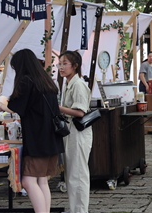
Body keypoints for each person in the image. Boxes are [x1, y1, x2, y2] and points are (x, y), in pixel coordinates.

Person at [0, 49, 64, 213]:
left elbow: (16, 108)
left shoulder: (27, 81)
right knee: (42, 181)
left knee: (28, 181)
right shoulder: (46, 81)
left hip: (38, 140)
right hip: (52, 139)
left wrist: (1, 104)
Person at [57, 50, 93, 213]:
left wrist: (58, 108)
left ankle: (79, 210)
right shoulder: (69, 83)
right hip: (72, 132)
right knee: (72, 174)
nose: (61, 67)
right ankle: (76, 209)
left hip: (78, 132)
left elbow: (80, 111)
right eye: (60, 64)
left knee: (77, 175)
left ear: (75, 66)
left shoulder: (78, 84)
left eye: (65, 63)